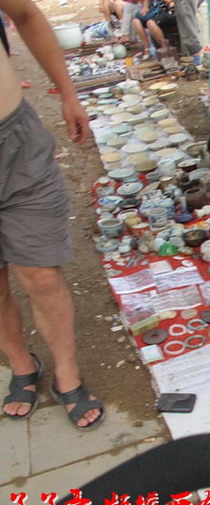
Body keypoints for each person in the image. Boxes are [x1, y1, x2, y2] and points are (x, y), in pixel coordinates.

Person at [0, 0, 104, 430]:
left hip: (15, 142)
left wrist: (69, 93)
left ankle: (67, 372)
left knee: (41, 275)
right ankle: (21, 364)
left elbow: (25, 15)